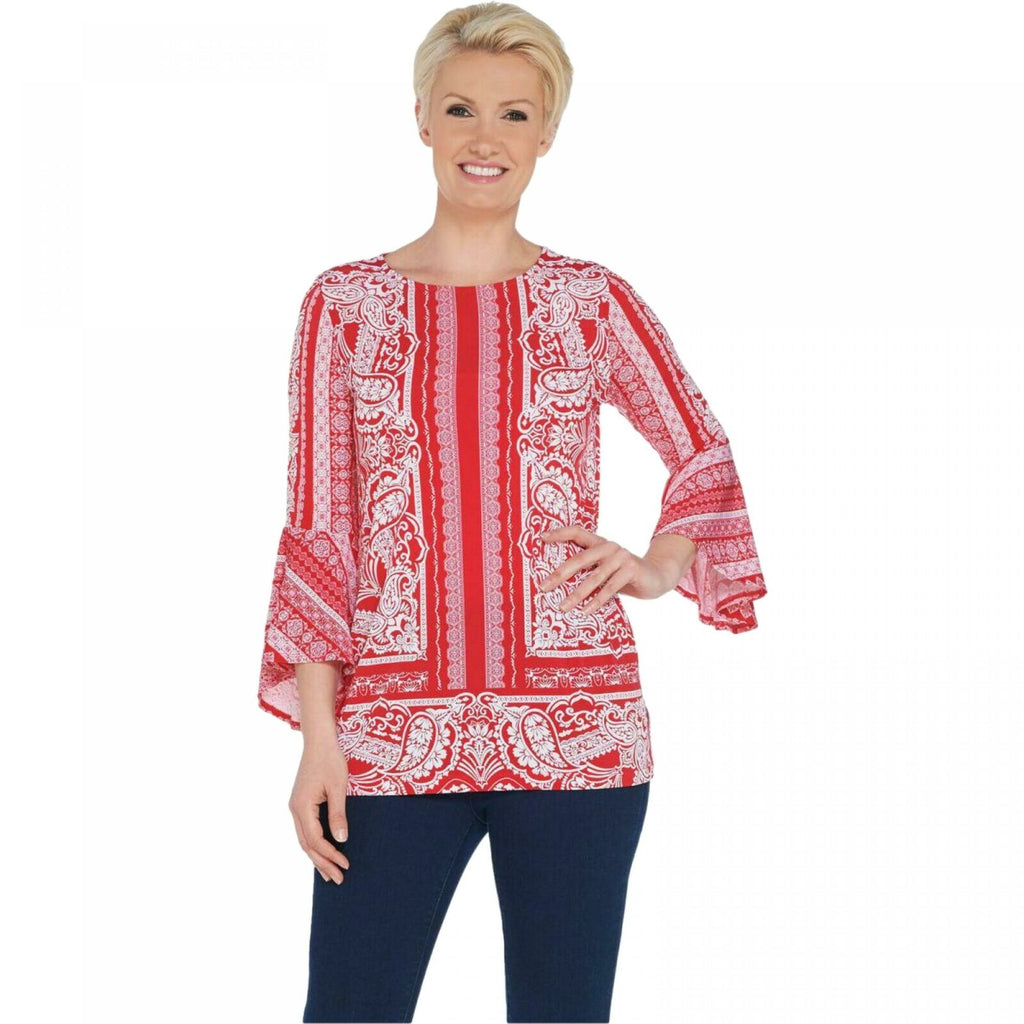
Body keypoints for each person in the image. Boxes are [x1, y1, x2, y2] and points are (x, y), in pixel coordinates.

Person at [257, 4, 767, 1021]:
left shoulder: (590, 300)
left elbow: (700, 445)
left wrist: (659, 565)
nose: (484, 137)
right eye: (460, 109)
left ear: (546, 134)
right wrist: (319, 738)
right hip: (390, 733)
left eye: (514, 113)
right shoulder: (342, 305)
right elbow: (319, 526)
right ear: (421, 119)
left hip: (580, 732)